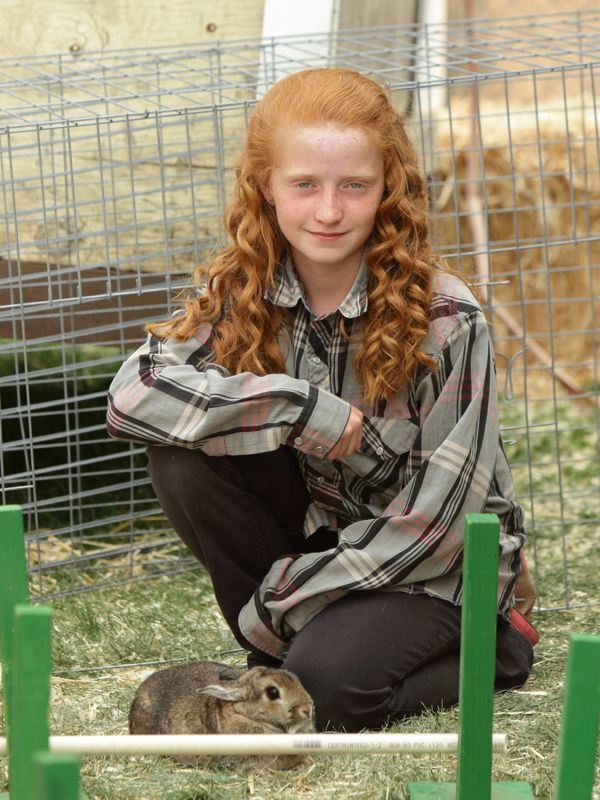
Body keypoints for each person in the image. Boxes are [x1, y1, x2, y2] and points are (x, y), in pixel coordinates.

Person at [107, 68, 537, 732]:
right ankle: (293, 649)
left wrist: (280, 600)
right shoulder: (245, 290)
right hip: (326, 545)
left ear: (387, 189)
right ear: (265, 190)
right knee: (182, 458)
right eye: (304, 185)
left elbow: (436, 525)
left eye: (354, 186)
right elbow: (132, 397)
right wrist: (300, 406)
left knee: (326, 698)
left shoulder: (449, 317)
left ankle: (497, 647)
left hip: (435, 566)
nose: (329, 211)